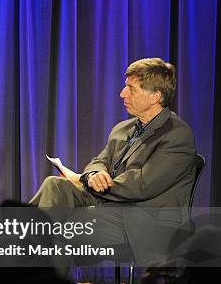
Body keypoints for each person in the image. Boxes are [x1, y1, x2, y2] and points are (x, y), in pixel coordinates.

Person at [29, 58, 196, 265]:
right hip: (110, 207)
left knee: (56, 226)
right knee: (54, 185)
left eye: (130, 89)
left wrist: (94, 183)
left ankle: (21, 272)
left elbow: (142, 185)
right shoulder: (123, 129)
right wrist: (93, 175)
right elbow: (99, 161)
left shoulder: (176, 135)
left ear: (155, 96)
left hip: (143, 221)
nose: (122, 94)